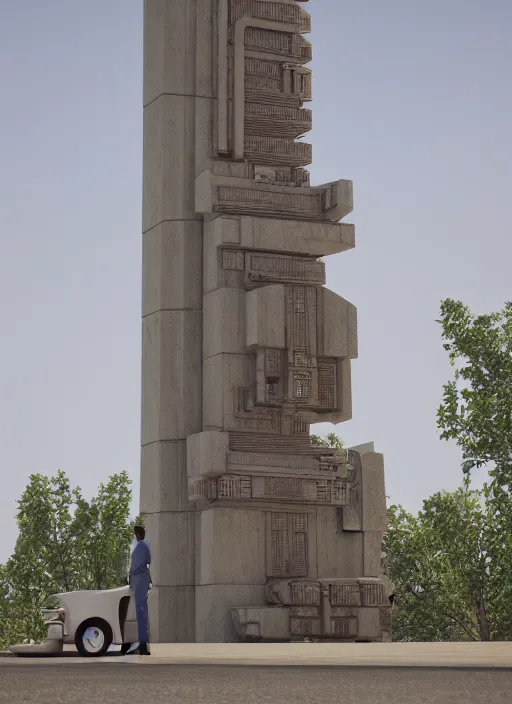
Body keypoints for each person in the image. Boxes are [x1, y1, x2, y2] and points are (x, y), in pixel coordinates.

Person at [128, 525, 152, 655]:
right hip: (143, 580)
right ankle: (144, 644)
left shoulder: (139, 547)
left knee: (140, 612)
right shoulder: (145, 546)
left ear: (137, 534)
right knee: (143, 612)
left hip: (139, 581)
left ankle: (142, 644)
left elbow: (135, 566)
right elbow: (148, 561)